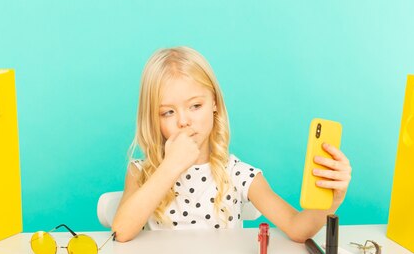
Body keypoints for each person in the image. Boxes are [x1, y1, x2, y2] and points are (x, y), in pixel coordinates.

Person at [112, 46, 352, 243]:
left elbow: (297, 228)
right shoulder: (141, 172)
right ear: (153, 118)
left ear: (214, 103)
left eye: (195, 106)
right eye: (168, 112)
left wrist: (333, 201)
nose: (184, 121)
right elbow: (121, 231)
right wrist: (169, 167)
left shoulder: (237, 174)